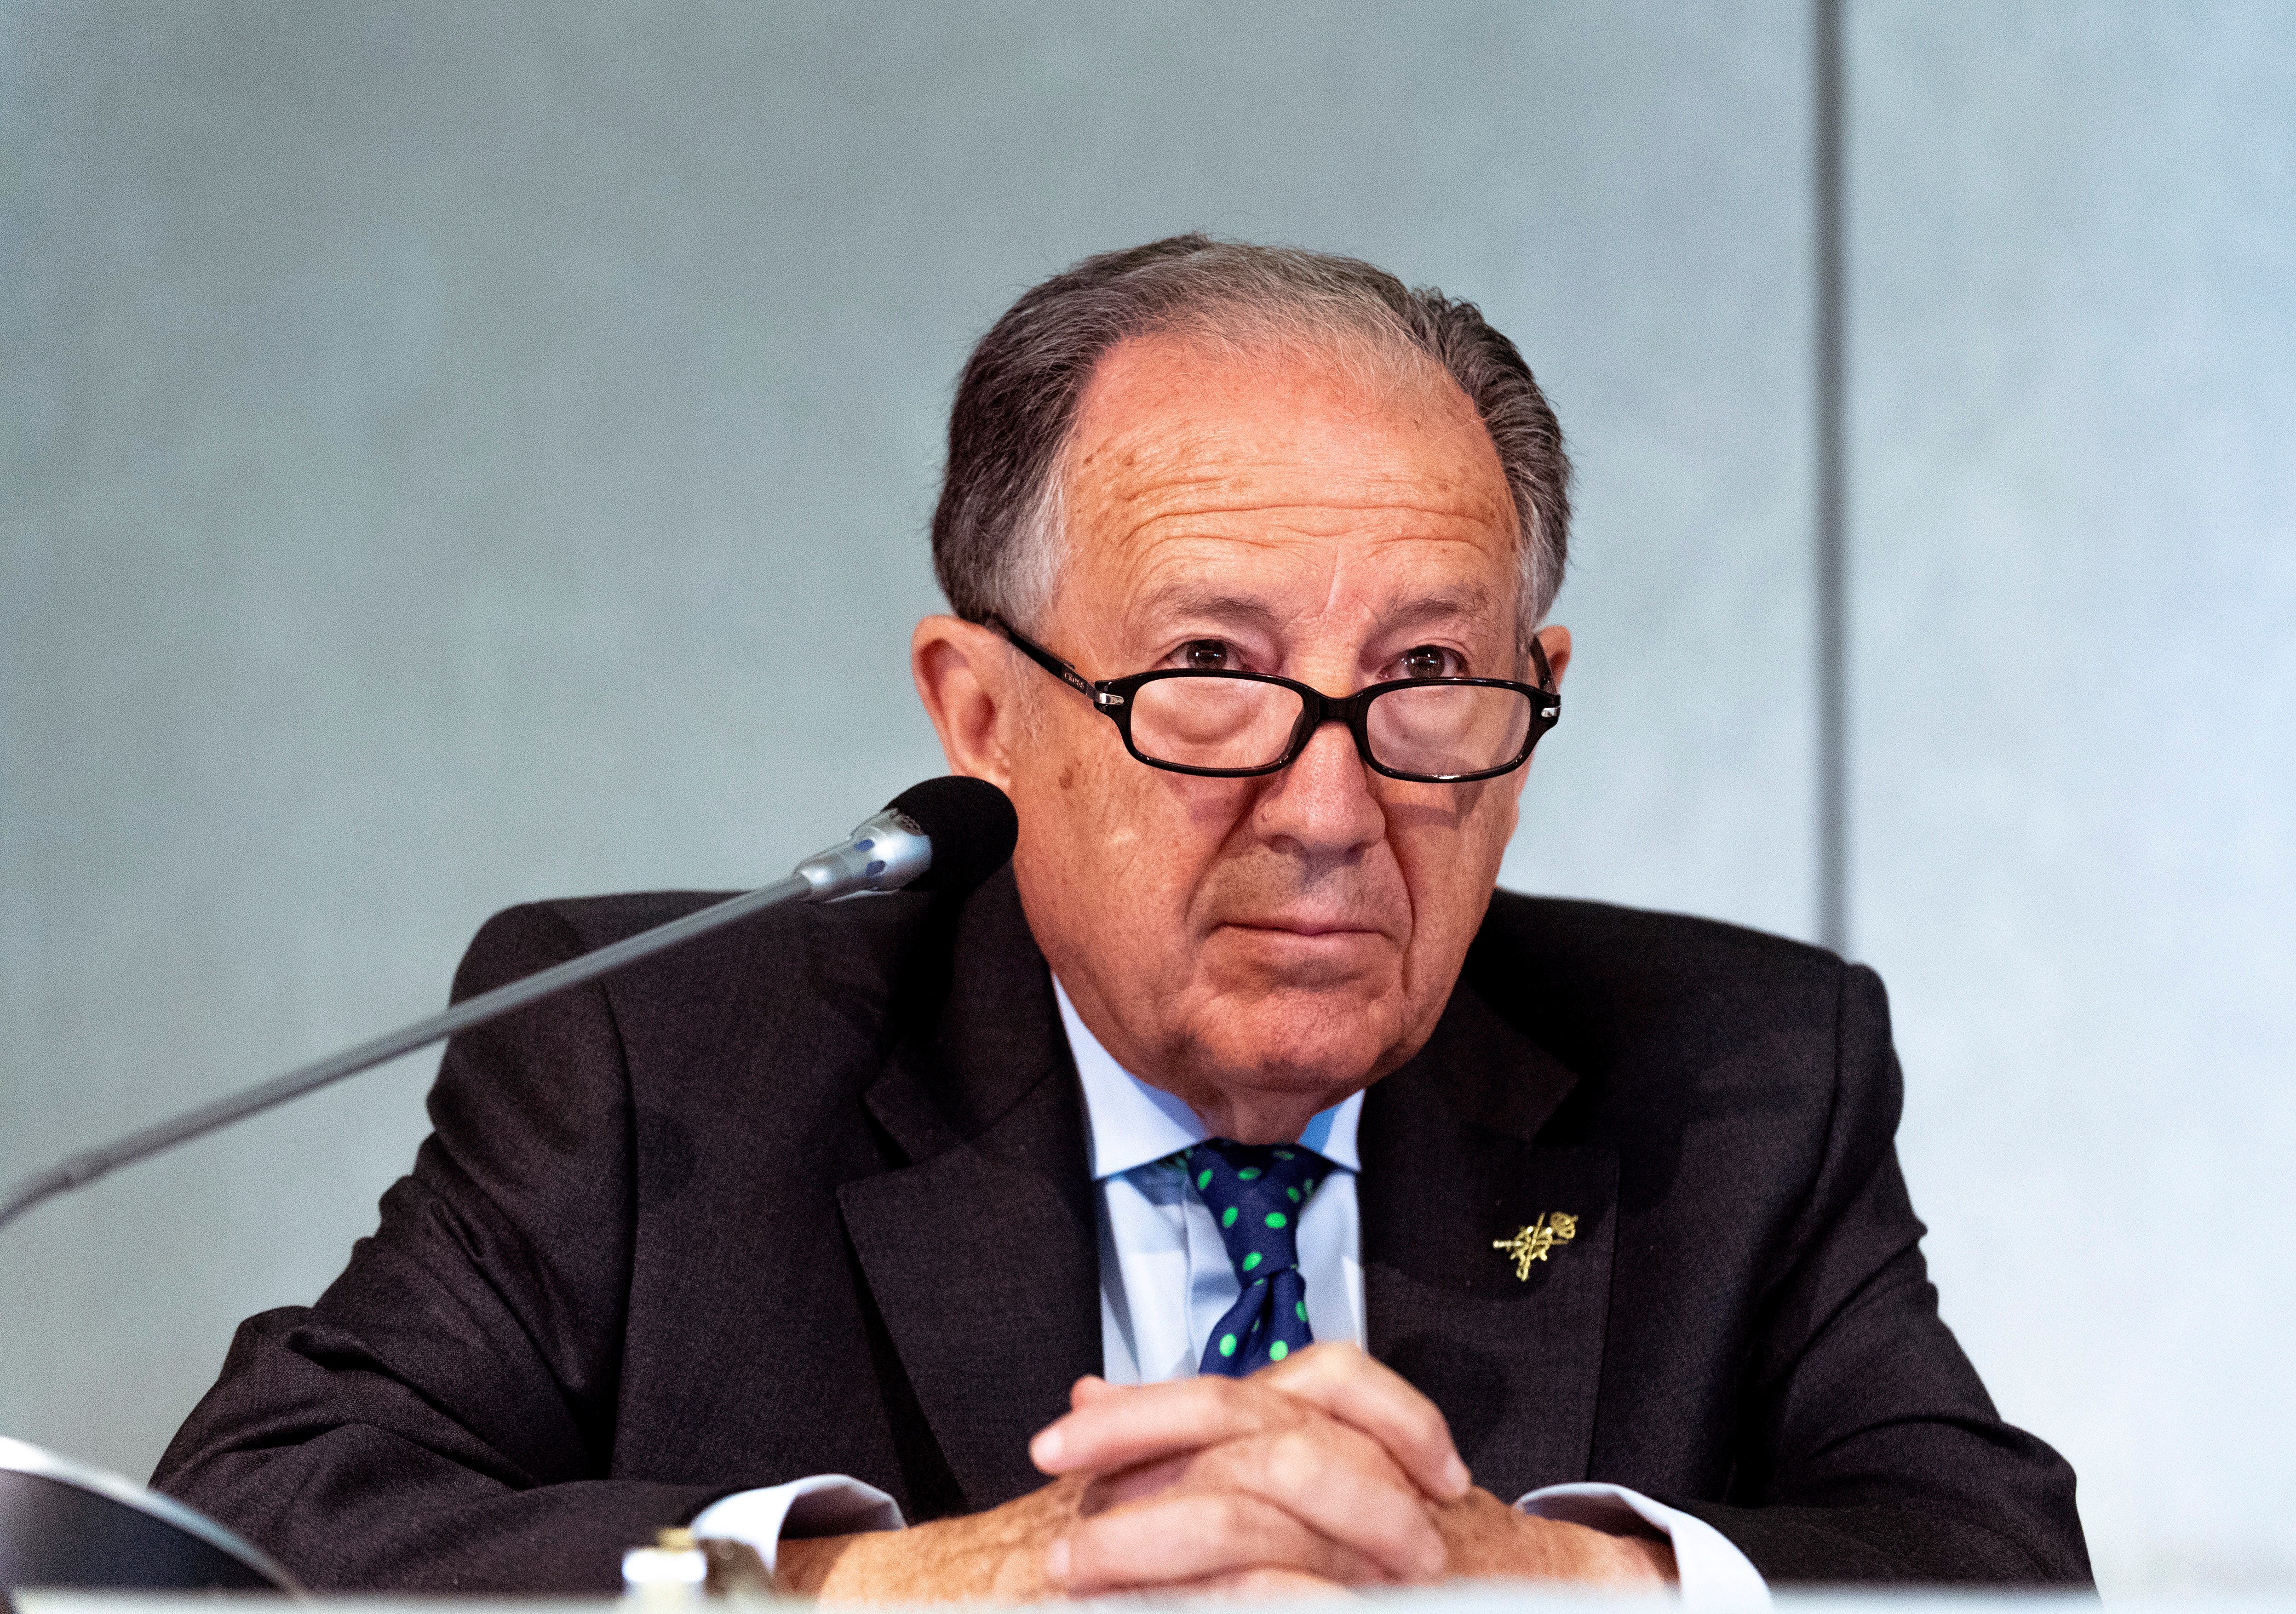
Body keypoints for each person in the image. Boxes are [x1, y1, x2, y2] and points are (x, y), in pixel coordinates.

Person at [153, 237, 2092, 1601]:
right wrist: (881, 1587)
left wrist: (1522, 1579)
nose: (1332, 808)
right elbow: (252, 1531)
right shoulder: (668, 1063)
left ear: (1541, 681)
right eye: (1207, 674)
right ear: (980, 712)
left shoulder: (1737, 1080)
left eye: (1431, 674)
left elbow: (1994, 1567)